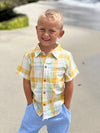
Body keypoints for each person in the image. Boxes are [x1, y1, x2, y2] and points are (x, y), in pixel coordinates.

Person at [16, 9, 79, 133]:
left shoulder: (66, 57)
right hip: (35, 109)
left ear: (60, 34)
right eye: (42, 29)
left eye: (52, 31)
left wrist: (66, 107)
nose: (46, 34)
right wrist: (30, 104)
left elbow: (69, 83)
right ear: (36, 29)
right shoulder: (30, 56)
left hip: (58, 111)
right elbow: (26, 81)